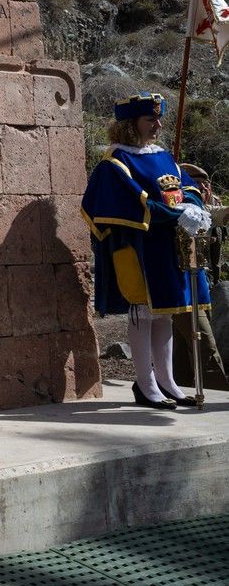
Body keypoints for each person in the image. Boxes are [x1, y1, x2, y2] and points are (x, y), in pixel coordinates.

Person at [82, 93, 213, 409]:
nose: (158, 124)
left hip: (167, 246)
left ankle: (166, 381)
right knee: (143, 311)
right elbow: (129, 203)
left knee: (165, 314)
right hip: (138, 248)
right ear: (131, 124)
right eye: (149, 119)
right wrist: (176, 214)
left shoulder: (163, 155)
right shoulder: (115, 163)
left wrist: (193, 207)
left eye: (158, 118)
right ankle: (145, 383)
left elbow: (187, 187)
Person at [171, 163, 229, 391]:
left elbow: (215, 215)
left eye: (205, 184)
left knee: (181, 344)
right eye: (198, 183)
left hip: (199, 283)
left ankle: (179, 385)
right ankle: (217, 390)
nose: (204, 187)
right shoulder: (178, 208)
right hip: (180, 286)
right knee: (204, 342)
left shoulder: (200, 206)